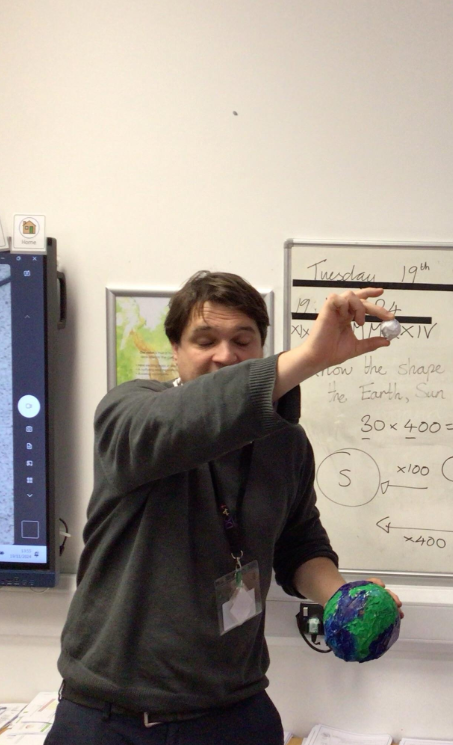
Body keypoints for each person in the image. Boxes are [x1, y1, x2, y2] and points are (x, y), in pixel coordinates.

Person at [48, 271, 401, 745]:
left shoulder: (285, 444)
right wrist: (308, 359)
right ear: (174, 349)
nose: (225, 355)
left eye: (242, 339)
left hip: (233, 713)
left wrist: (340, 597)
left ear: (260, 346)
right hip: (111, 719)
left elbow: (300, 545)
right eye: (205, 339)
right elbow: (178, 424)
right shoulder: (130, 413)